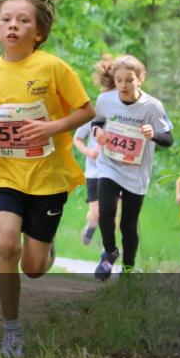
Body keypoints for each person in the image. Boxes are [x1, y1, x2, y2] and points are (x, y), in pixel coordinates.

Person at [0, 0, 94, 358]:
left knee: (34, 268)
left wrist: (51, 128)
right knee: (6, 244)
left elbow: (86, 111)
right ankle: (12, 331)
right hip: (4, 173)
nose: (13, 26)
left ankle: (45, 248)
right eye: (6, 19)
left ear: (38, 32)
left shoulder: (54, 68)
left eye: (23, 20)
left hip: (48, 177)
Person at [91, 55, 173, 280]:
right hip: (110, 165)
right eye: (119, 80)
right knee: (105, 211)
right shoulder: (105, 100)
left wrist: (153, 134)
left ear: (141, 79)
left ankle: (128, 268)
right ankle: (109, 252)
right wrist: (98, 132)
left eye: (129, 80)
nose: (124, 85)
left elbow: (168, 139)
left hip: (136, 173)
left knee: (128, 225)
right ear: (114, 81)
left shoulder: (152, 106)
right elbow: (97, 122)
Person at [73, 55, 120, 245]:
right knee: (95, 215)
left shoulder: (124, 116)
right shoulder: (95, 113)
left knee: (113, 214)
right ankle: (91, 226)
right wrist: (89, 152)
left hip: (117, 171)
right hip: (94, 171)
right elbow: (77, 139)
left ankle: (109, 251)